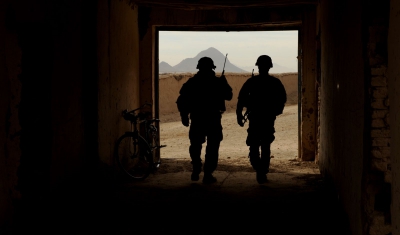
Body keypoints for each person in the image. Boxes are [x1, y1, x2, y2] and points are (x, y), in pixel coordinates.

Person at [176, 57, 233, 184]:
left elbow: (181, 100)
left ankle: (197, 167)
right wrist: (225, 83)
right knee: (212, 147)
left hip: (197, 119)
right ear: (212, 68)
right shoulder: (217, 82)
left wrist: (184, 116)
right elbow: (229, 96)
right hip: (213, 119)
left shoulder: (192, 82)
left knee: (196, 145)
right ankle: (207, 173)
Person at [236, 55, 287, 184]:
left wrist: (239, 114)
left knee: (258, 145)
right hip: (264, 118)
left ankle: (261, 170)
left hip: (260, 118)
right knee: (263, 146)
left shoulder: (252, 82)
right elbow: (281, 99)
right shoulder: (274, 82)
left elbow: (241, 99)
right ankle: (261, 170)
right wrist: (276, 111)